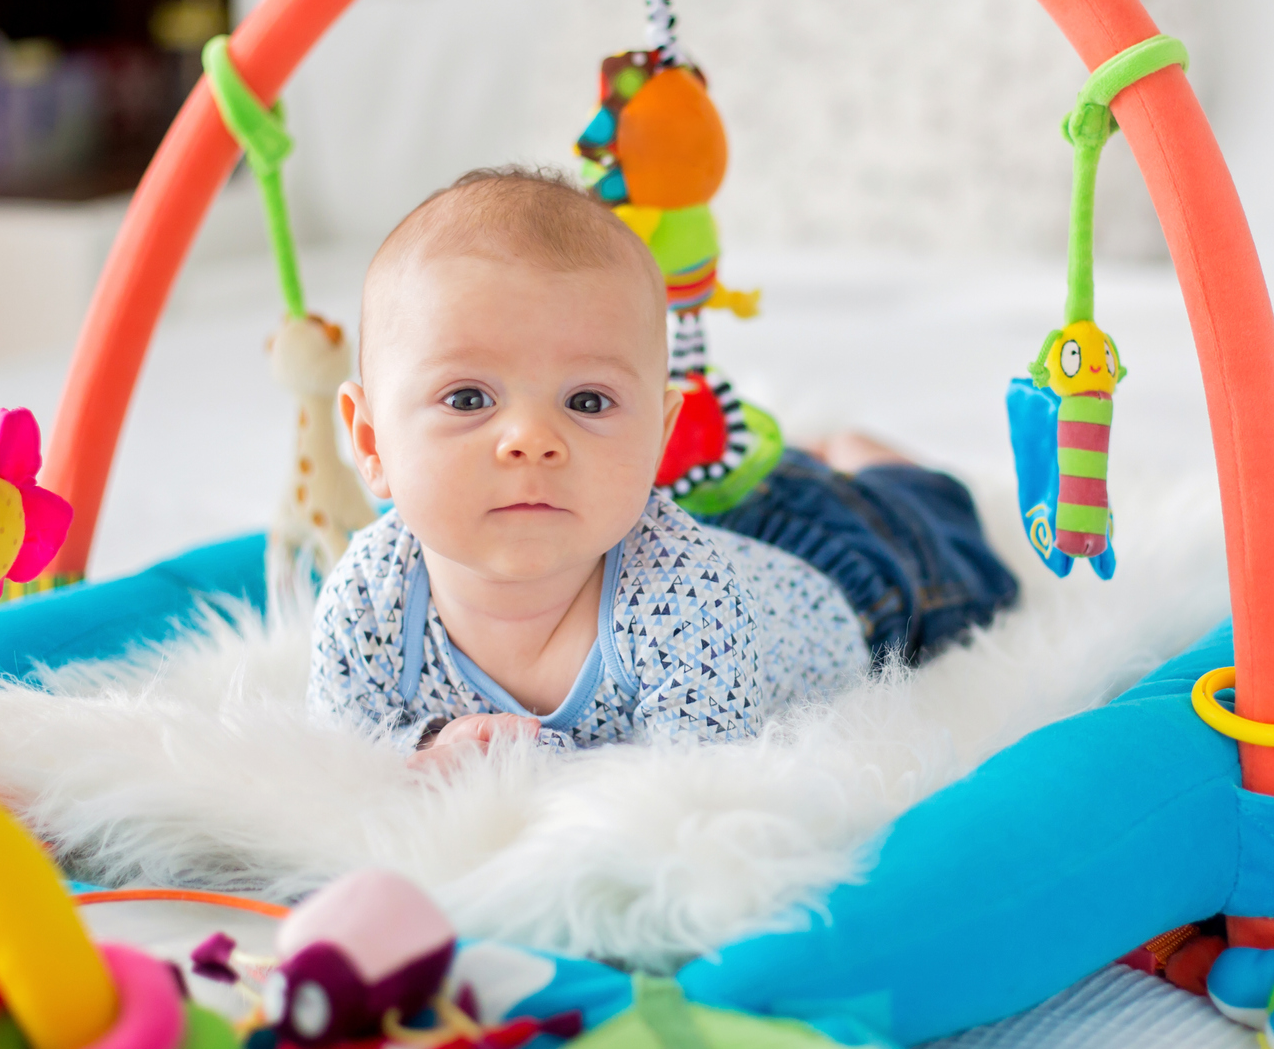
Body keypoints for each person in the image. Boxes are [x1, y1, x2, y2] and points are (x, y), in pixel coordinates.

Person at [310, 167, 1018, 767]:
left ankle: (872, 462)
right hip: (722, 537)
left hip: (841, 573)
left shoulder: (683, 602)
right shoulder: (370, 601)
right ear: (371, 445)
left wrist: (542, 769)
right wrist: (435, 747)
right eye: (468, 398)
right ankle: (807, 460)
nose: (530, 439)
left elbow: (692, 794)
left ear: (658, 436)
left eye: (587, 400)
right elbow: (342, 754)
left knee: (951, 550)